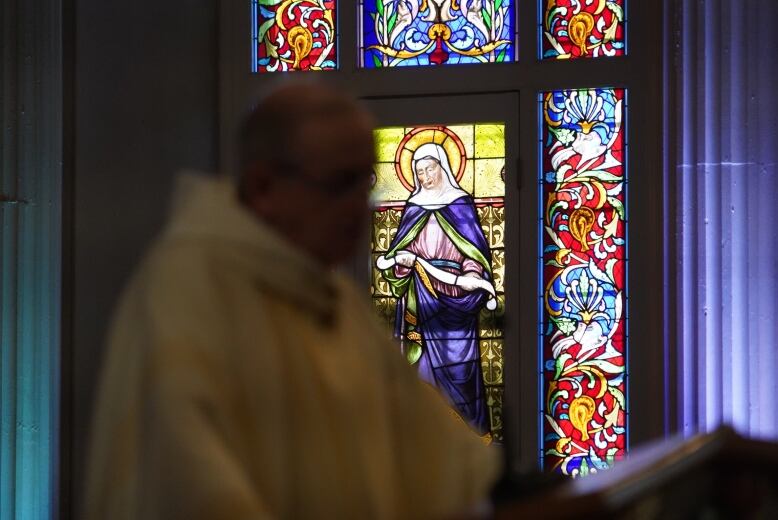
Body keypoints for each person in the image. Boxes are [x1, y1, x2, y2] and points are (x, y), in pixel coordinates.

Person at [83, 82, 498, 519]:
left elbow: (434, 450)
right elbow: (191, 485)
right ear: (264, 186)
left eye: (364, 183)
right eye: (341, 183)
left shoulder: (332, 296)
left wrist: (498, 484)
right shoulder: (186, 290)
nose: (361, 208)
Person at [376, 142, 497, 438]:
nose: (426, 176)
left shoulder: (461, 204)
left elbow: (475, 254)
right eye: (419, 172)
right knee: (421, 369)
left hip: (456, 299)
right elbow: (399, 262)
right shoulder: (414, 207)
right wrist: (403, 264)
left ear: (443, 167)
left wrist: (470, 277)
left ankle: (469, 441)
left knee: (460, 372)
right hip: (421, 300)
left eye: (430, 169)